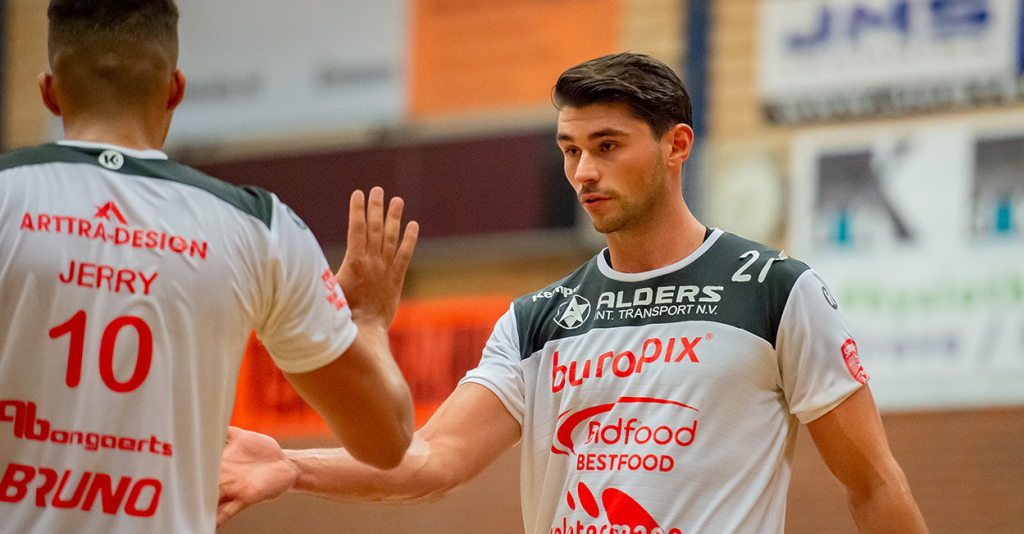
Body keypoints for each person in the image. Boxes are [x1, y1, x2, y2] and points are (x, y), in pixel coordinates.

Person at [217, 52, 929, 534]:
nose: (584, 170)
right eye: (570, 150)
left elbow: (875, 485)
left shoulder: (773, 291)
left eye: (607, 146)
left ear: (677, 145)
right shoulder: (538, 320)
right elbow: (433, 462)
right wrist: (292, 464)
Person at [0, 1, 418, 532]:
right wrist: (368, 322)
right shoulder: (259, 226)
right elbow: (386, 440)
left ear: (49, 91)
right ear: (175, 89)